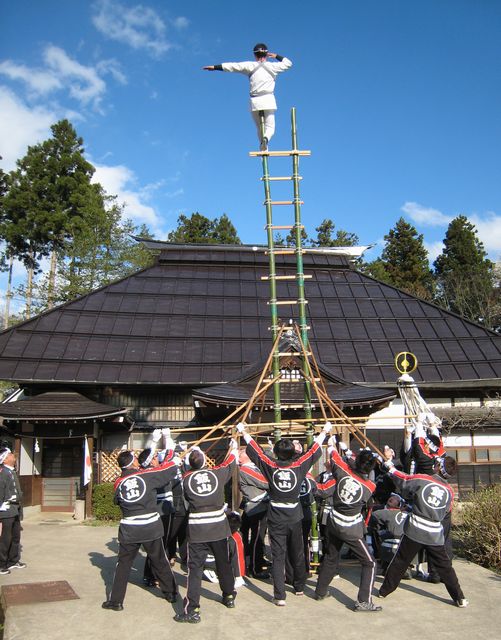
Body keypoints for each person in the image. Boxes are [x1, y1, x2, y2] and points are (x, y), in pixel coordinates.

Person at [237, 421, 331, 606]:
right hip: (295, 515)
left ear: (277, 452)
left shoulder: (271, 466)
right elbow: (313, 450)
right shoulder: (299, 465)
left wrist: (244, 432)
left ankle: (280, 596)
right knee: (297, 551)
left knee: (278, 556)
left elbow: (256, 451)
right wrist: (325, 431)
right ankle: (299, 587)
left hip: (276, 516)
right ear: (293, 453)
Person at [102, 430, 180, 611]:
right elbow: (166, 471)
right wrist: (175, 460)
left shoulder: (118, 483)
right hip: (151, 526)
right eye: (135, 458)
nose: (138, 460)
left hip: (130, 529)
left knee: (123, 566)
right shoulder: (146, 476)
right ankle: (171, 593)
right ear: (132, 463)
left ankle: (116, 601)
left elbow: (117, 502)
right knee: (160, 560)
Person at [378, 456, 468, 608]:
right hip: (434, 534)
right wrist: (415, 509)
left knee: (400, 561)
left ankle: (384, 590)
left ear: (439, 467)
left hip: (415, 529)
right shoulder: (449, 492)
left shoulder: (424, 479)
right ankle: (460, 598)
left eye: (437, 464)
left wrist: (391, 468)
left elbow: (405, 480)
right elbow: (444, 511)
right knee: (445, 567)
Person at [174, 439, 238, 624]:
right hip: (218, 527)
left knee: (195, 569)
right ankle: (229, 596)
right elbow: (230, 461)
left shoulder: (185, 478)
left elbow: (180, 467)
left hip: (197, 529)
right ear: (205, 462)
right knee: (223, 563)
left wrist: (185, 450)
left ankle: (192, 608)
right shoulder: (216, 474)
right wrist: (233, 446)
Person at [314, 440, 381, 612]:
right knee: (370, 563)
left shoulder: (342, 471)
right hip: (350, 527)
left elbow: (335, 456)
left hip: (333, 520)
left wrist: (331, 443)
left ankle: (320, 591)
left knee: (331, 556)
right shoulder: (369, 486)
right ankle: (364, 601)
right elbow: (355, 467)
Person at [203, 43, 292, 150]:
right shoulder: (273, 66)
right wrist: (277, 56)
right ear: (266, 54)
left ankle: (263, 145)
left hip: (254, 101)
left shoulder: (250, 65)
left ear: (255, 55)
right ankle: (266, 139)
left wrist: (215, 67)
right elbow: (288, 63)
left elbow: (233, 66)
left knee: (259, 127)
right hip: (268, 100)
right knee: (270, 127)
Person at [238, 447, 270, 578]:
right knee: (258, 537)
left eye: (241, 454)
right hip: (256, 506)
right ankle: (255, 568)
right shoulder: (245, 469)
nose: (239, 457)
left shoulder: (252, 467)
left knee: (254, 534)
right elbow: (264, 482)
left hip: (258, 505)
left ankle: (258, 560)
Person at [0, 448, 25, 575]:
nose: (13, 456)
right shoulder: (2, 472)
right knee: (5, 538)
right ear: (5, 459)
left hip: (15, 508)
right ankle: (1, 564)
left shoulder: (11, 471)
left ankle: (13, 560)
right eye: (10, 455)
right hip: (6, 509)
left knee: (16, 536)